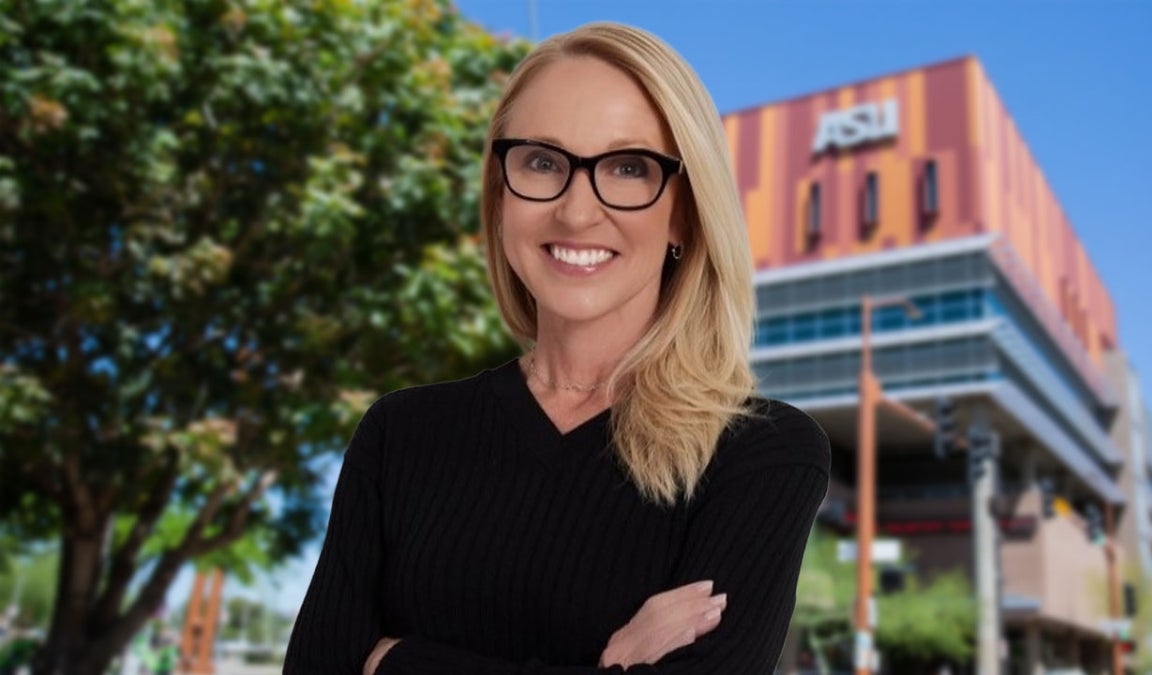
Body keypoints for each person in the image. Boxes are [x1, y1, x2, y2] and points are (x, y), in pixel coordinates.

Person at [283, 21, 829, 674]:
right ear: (500, 192)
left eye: (629, 168)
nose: (576, 211)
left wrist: (395, 660)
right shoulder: (399, 434)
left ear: (685, 212)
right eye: (542, 162)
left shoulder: (761, 454)